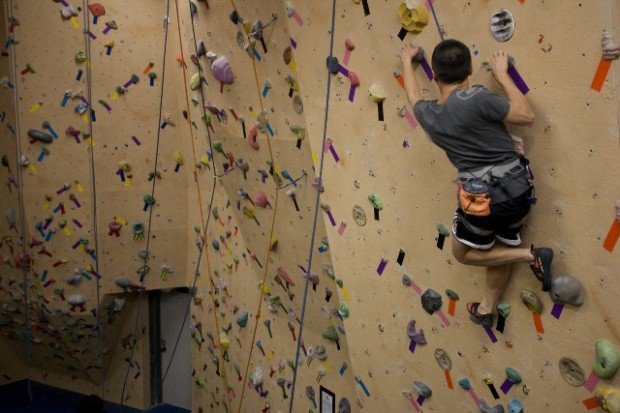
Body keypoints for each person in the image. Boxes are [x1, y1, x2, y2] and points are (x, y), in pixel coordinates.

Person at [400, 39, 553, 328]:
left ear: (434, 74)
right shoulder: (479, 99)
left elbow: (412, 94)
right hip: (519, 193)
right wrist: (502, 74)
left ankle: (530, 255)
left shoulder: (428, 115)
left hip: (482, 203)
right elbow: (525, 115)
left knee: (466, 253)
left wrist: (407, 60)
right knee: (498, 247)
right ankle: (486, 308)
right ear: (470, 69)